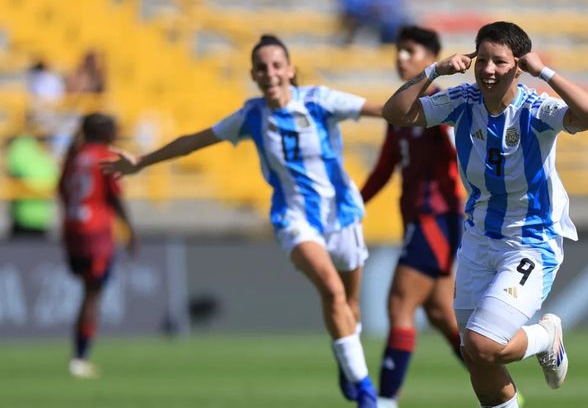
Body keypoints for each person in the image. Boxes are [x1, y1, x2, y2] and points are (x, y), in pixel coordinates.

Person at [101, 35, 381, 407]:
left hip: (343, 214)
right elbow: (193, 141)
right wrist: (142, 162)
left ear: (290, 69)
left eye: (277, 66)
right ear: (253, 74)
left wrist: (432, 94)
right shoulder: (251, 117)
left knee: (350, 305)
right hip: (294, 219)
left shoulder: (320, 100)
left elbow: (384, 110)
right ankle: (366, 393)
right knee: (331, 290)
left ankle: (348, 362)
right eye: (262, 68)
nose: (270, 73)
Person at [381, 21, 588, 407]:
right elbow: (397, 113)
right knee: (473, 352)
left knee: (486, 344)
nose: (487, 69)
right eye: (482, 59)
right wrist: (434, 71)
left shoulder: (535, 108)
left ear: (518, 66)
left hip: (531, 242)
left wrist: (544, 71)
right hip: (479, 238)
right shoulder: (463, 100)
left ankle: (546, 337)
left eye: (499, 62)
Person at [359, 26, 464, 406]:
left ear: (429, 58)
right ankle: (499, 388)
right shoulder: (399, 112)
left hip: (437, 217)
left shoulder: (443, 104)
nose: (401, 58)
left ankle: (384, 401)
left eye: (409, 51)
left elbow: (462, 156)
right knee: (440, 314)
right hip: (419, 219)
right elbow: (386, 167)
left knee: (400, 303)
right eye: (398, 51)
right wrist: (353, 204)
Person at [58, 112, 137, 378]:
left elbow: (62, 190)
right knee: (93, 293)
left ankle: (79, 356)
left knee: (88, 291)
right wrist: (130, 231)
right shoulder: (105, 156)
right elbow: (114, 198)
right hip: (96, 233)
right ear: (104, 132)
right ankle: (80, 358)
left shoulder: (73, 155)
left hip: (72, 230)